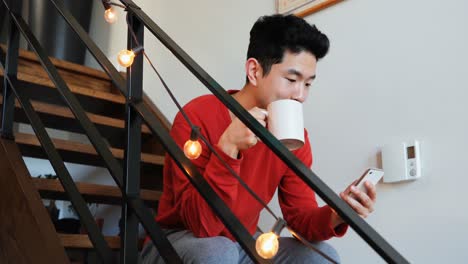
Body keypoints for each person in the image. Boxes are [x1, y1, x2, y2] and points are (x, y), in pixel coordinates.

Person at [141, 14, 376, 263]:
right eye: (292, 80)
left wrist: (337, 215)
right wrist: (228, 147)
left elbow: (300, 218)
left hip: (241, 242)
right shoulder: (198, 116)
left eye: (308, 84)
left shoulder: (296, 138)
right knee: (217, 251)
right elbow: (202, 226)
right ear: (254, 71)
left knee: (322, 257)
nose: (301, 95)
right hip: (176, 241)